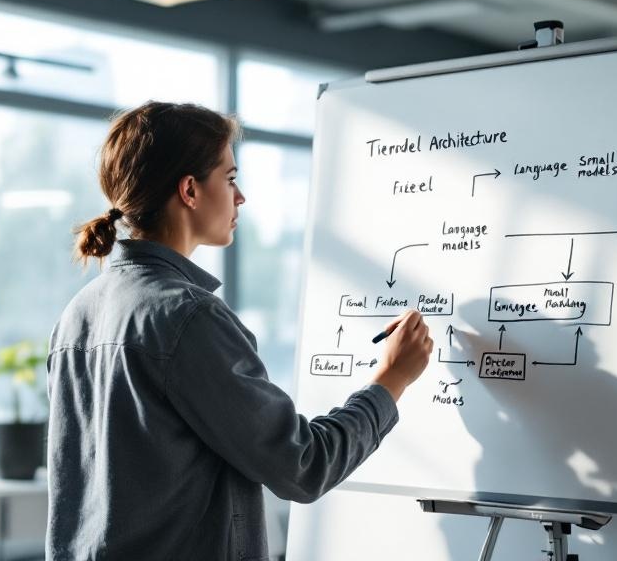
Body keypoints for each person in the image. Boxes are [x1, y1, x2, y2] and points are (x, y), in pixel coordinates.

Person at [47, 101, 433, 560]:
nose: (241, 197)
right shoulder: (189, 317)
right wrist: (391, 379)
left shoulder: (76, 314)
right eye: (230, 179)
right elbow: (303, 465)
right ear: (189, 190)